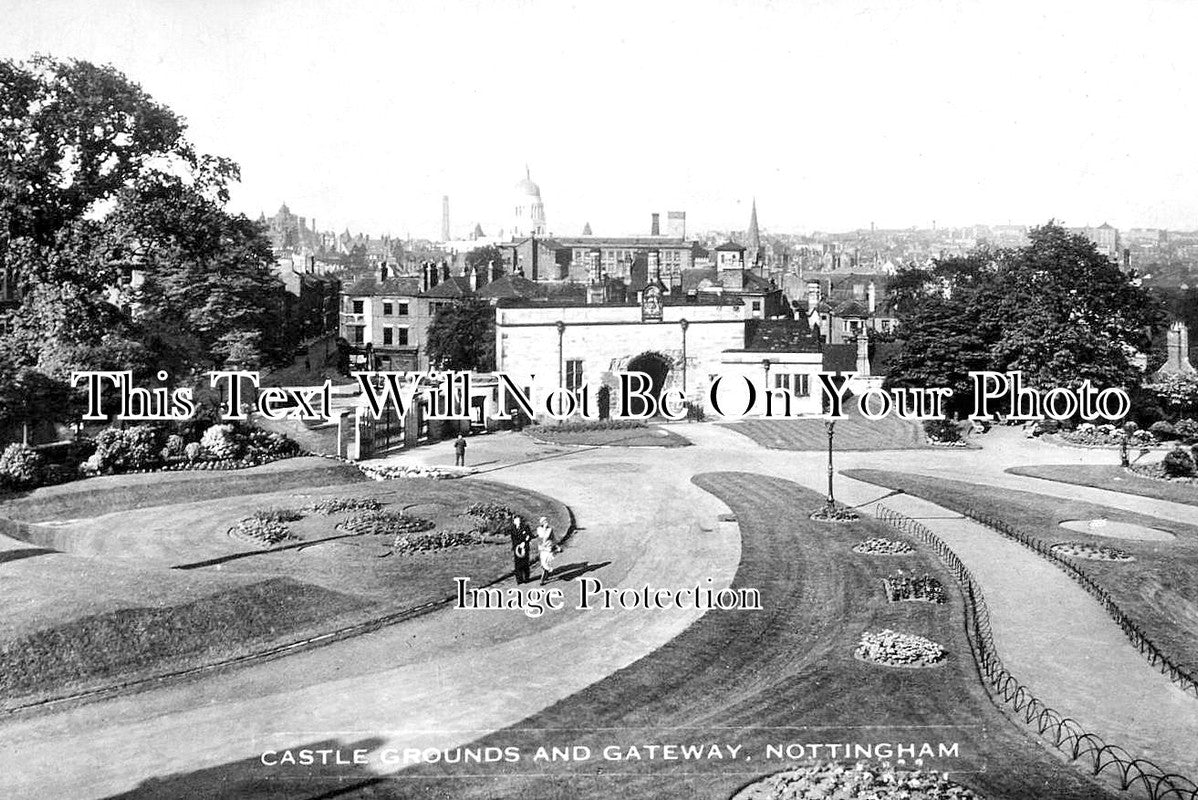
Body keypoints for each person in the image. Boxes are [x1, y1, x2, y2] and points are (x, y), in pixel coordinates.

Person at [509, 515, 532, 584]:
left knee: (525, 563)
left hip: (525, 547)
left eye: (518, 520)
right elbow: (513, 539)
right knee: (518, 564)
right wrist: (518, 545)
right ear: (514, 522)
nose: (517, 522)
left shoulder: (525, 527)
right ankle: (519, 579)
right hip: (517, 548)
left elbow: (530, 535)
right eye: (516, 520)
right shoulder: (513, 529)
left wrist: (525, 541)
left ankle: (526, 578)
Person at [536, 516, 557, 584]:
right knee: (543, 563)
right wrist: (544, 529)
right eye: (544, 521)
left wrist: (556, 546)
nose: (546, 522)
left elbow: (553, 538)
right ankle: (547, 573)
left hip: (548, 548)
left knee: (546, 562)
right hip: (542, 548)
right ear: (541, 523)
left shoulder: (550, 529)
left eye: (546, 521)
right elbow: (542, 537)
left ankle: (542, 580)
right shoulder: (539, 529)